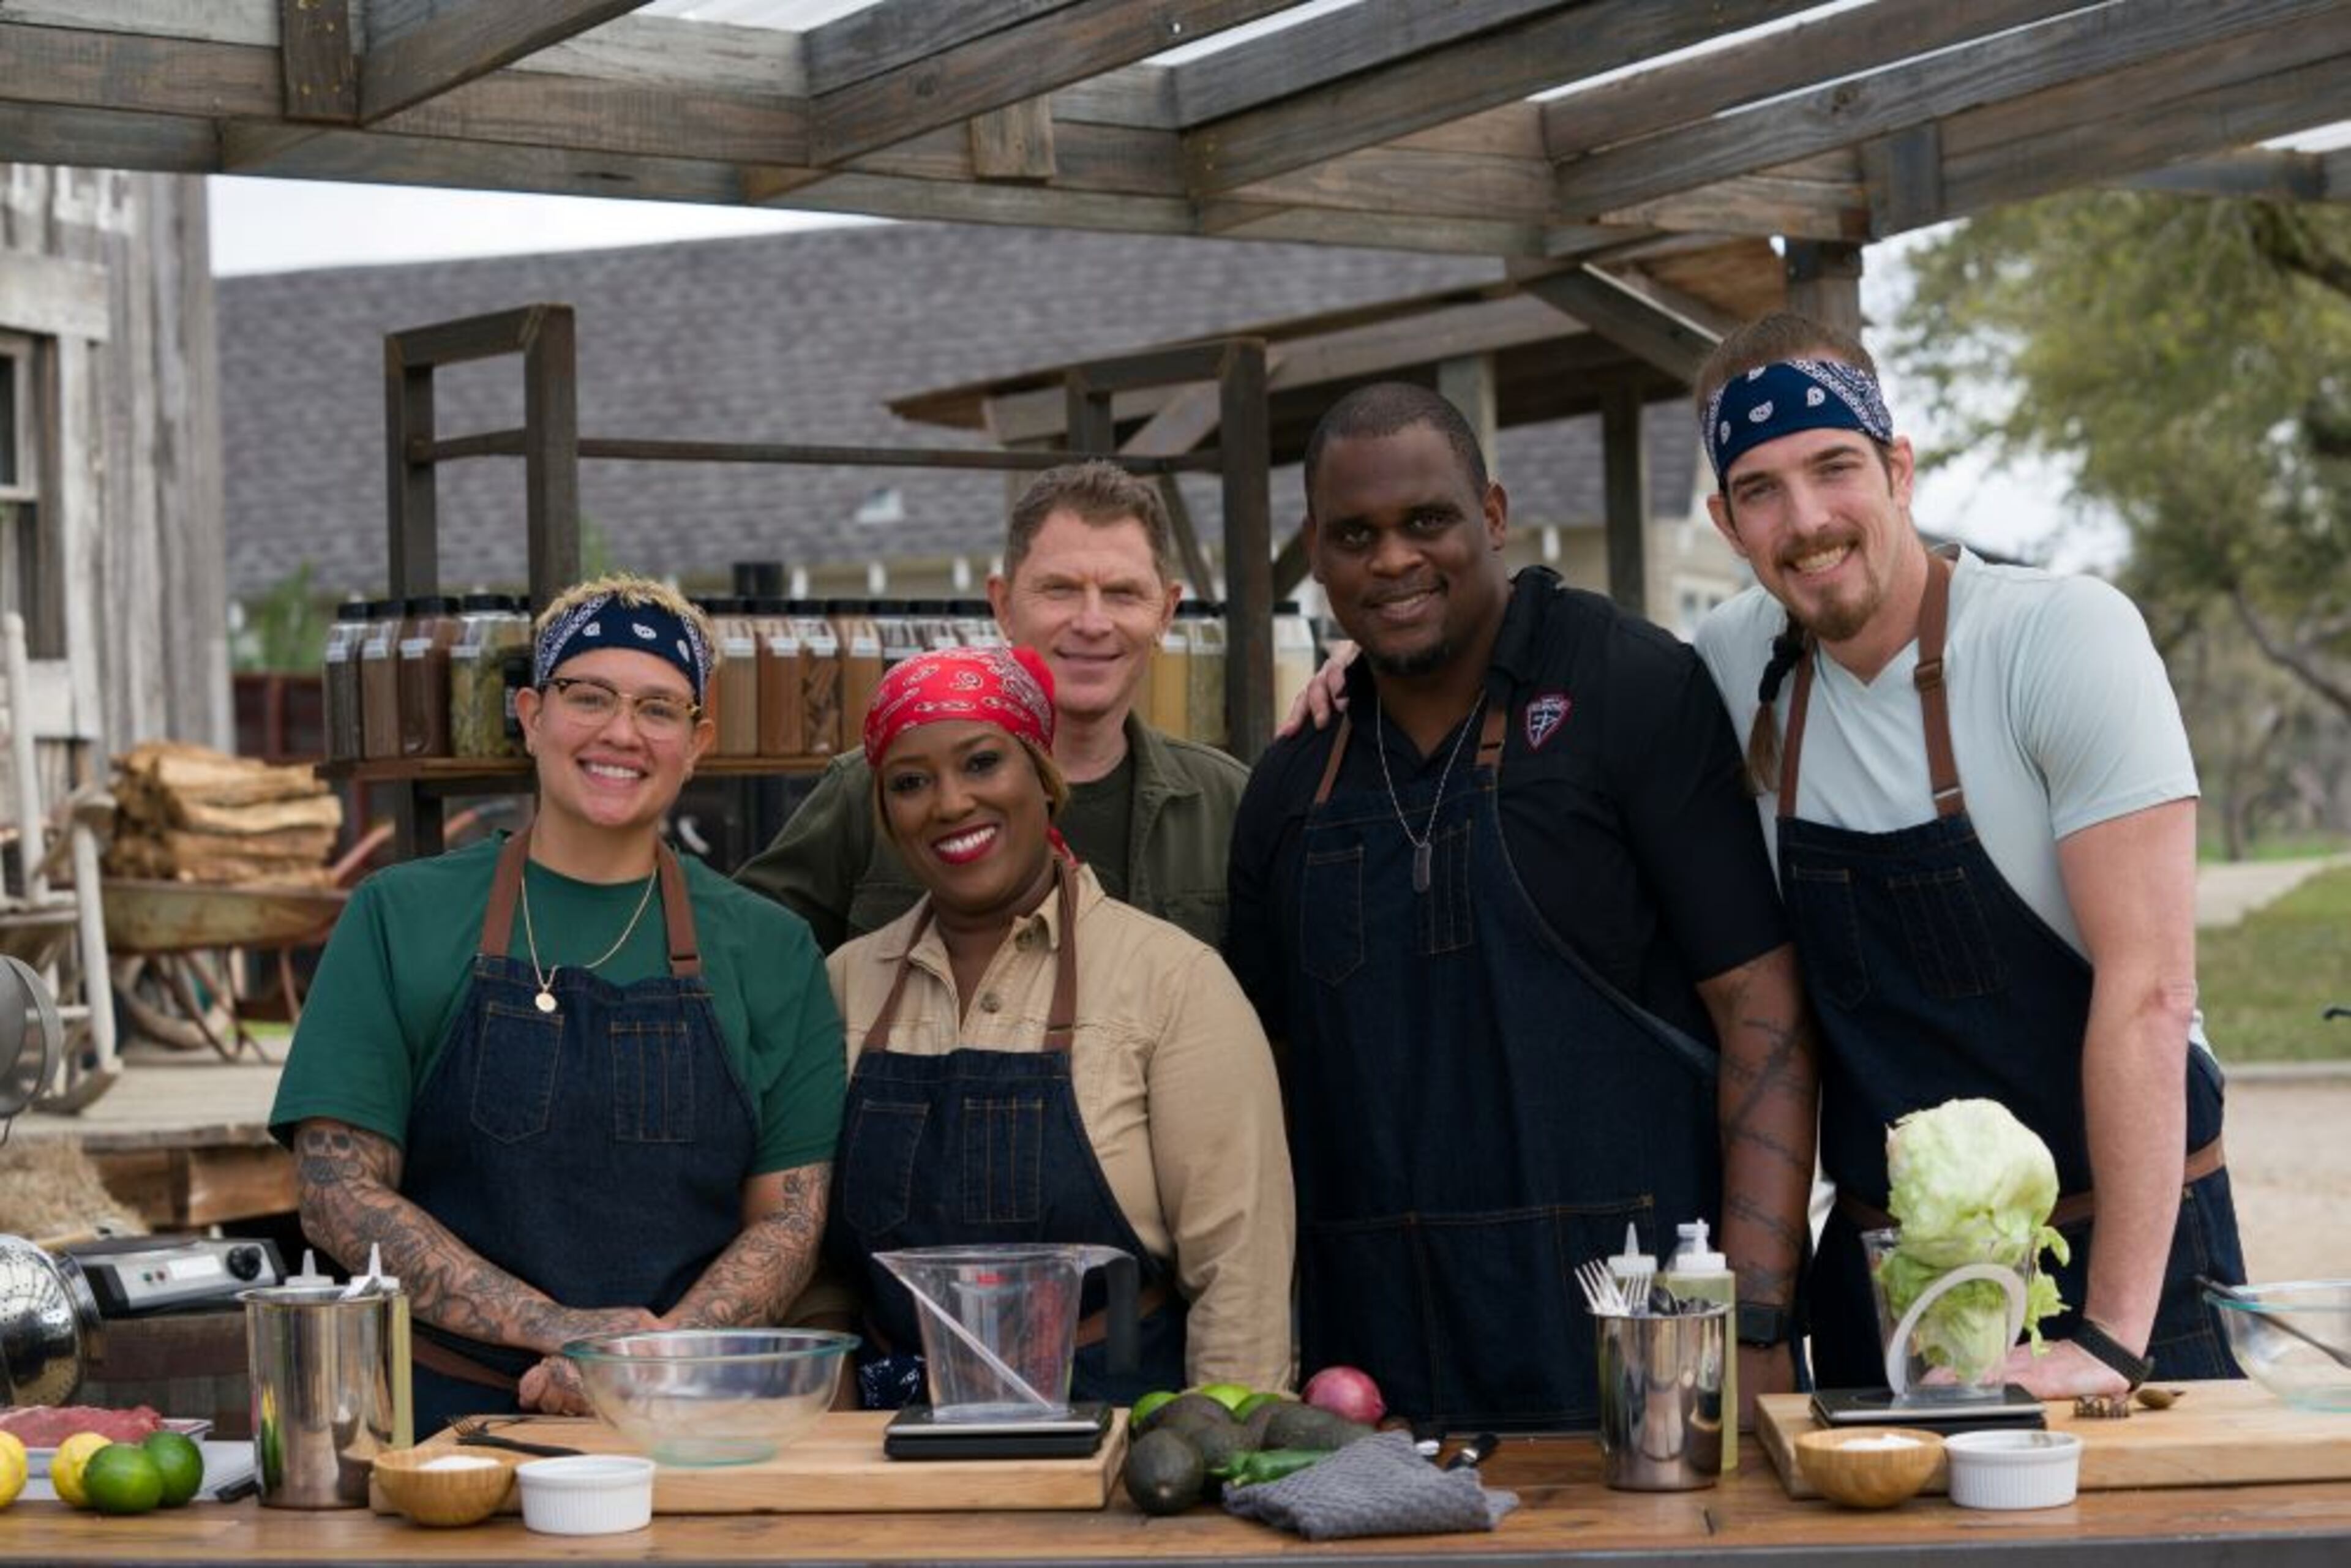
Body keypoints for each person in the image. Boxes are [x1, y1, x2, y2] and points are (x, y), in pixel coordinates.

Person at [1226, 382, 1817, 1432]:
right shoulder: (1290, 781)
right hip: (1373, 1377)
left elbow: (1762, 1019)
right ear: (1314, 550)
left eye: (1428, 521)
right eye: (1356, 534)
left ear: (1492, 514)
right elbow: (1256, 1095)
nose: (1394, 559)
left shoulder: (1630, 687)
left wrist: (1758, 1323)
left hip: (1639, 1350)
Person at [1689, 313, 2247, 1396]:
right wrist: (1353, 689)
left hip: (2126, 1267)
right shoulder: (1724, 660)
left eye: (1834, 467)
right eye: (1761, 489)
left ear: (1899, 468)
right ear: (1724, 518)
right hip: (1883, 1284)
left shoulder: (2059, 638)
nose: (1806, 520)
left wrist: (2110, 1344)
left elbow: (2149, 989)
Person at [272, 574, 846, 1433]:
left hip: (686, 1424)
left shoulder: (770, 949)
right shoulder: (399, 916)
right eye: (590, 698)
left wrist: (651, 1360)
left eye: (659, 709)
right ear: (532, 714)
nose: (622, 732)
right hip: (442, 1430)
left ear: (698, 743)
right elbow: (337, 1195)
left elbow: (792, 1219)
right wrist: (565, 1332)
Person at [824, 644, 1293, 1405]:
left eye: (981, 763)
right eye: (910, 782)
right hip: (891, 1441)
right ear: (885, 813)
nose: (949, 803)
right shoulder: (846, 981)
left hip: (1117, 1433)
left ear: (1042, 777)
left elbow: (1241, 1268)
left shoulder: (1173, 979)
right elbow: (818, 1261)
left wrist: (1220, 1449)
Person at [738, 462, 1245, 950]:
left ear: (1166, 612)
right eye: (1060, 589)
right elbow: (739, 957)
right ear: (1003, 605)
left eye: (1122, 593)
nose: (1093, 622)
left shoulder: (1227, 804)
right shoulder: (876, 788)